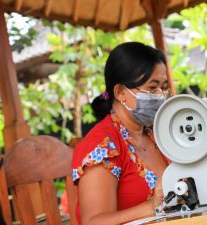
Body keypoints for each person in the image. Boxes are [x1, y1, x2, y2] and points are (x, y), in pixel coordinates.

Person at [71, 42, 169, 225]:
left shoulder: (157, 136)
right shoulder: (102, 146)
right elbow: (93, 222)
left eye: (163, 88)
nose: (160, 95)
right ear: (121, 92)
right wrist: (151, 207)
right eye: (152, 88)